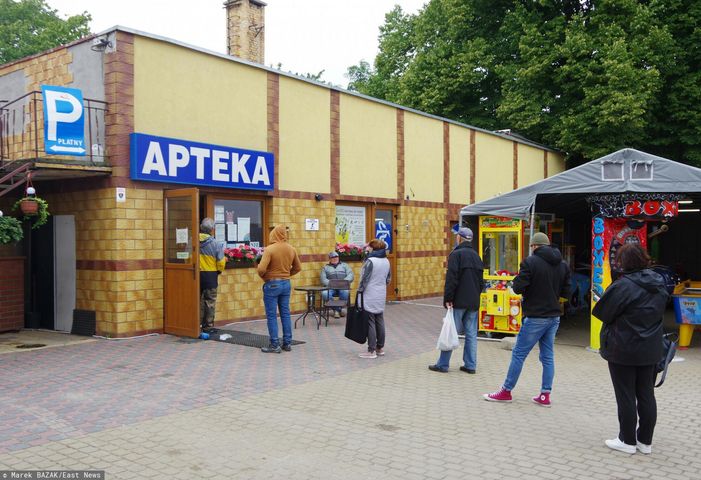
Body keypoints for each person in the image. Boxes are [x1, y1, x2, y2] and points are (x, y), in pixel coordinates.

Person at [592, 243, 668, 454]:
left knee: (625, 395)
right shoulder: (659, 282)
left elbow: (603, 313)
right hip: (651, 348)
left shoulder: (622, 286)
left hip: (623, 348)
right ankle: (645, 442)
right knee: (646, 394)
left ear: (623, 262)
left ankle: (627, 441)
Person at [484, 232, 570, 406]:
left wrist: (523, 285)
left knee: (519, 354)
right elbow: (566, 293)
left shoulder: (530, 262)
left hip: (535, 317)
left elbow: (518, 288)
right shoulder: (563, 265)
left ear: (534, 246)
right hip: (554, 317)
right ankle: (545, 394)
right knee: (547, 356)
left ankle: (506, 391)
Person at [429, 227, 484, 374]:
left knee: (450, 331)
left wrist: (448, 298)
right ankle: (470, 365)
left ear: (459, 238)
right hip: (473, 301)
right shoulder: (476, 255)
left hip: (458, 300)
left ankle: (443, 364)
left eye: (456, 236)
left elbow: (451, 279)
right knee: (471, 334)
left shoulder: (456, 254)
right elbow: (481, 282)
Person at [257, 224, 302, 353]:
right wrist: (287, 275)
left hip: (272, 284)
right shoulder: (291, 249)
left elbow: (261, 268)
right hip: (286, 283)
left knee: (272, 315)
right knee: (285, 314)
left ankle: (274, 344)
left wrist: (264, 276)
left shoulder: (270, 249)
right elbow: (298, 268)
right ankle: (287, 343)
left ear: (274, 234)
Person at [357, 238, 391, 359]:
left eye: (369, 247)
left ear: (373, 248)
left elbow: (364, 279)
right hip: (381, 292)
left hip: (369, 293)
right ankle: (380, 348)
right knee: (379, 319)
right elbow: (388, 279)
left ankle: (371, 350)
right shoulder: (386, 261)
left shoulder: (370, 261)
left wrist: (359, 291)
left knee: (370, 320)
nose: (368, 248)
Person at [199, 217, 226, 330]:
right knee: (210, 301)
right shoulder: (216, 244)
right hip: (210, 275)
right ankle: (208, 326)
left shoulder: (192, 240)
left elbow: (187, 258)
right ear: (212, 230)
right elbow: (220, 262)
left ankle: (196, 324)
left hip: (196, 275)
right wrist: (219, 270)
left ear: (201, 227)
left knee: (197, 300)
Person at [320, 251, 354, 318]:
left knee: (345, 292)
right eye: (333, 257)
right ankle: (337, 310)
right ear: (329, 259)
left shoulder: (345, 265)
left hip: (343, 286)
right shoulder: (325, 268)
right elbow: (323, 279)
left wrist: (343, 282)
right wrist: (333, 284)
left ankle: (337, 310)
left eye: (336, 257)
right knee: (324, 293)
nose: (335, 258)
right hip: (331, 287)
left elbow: (351, 275)